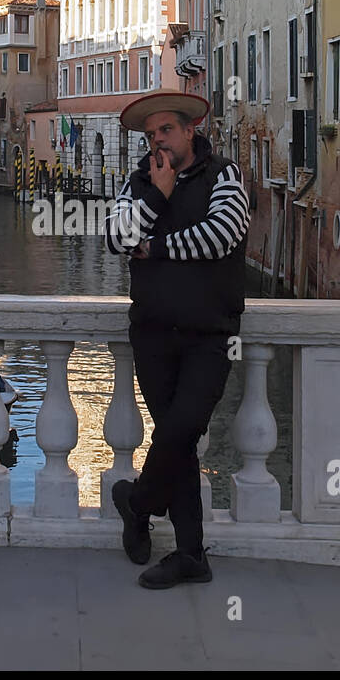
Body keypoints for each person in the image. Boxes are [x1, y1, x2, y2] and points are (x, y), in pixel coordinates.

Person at [104, 90, 250, 588]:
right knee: (179, 441)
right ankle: (192, 554)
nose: (157, 142)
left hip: (211, 335)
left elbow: (222, 236)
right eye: (149, 136)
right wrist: (158, 195)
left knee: (181, 429)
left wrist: (156, 246)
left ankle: (138, 501)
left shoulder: (224, 175)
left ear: (190, 131)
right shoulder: (141, 182)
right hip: (151, 334)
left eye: (166, 130)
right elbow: (117, 239)